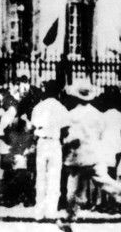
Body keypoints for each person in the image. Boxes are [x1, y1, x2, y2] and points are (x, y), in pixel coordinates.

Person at [61, 80, 121, 229]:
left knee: (74, 188)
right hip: (94, 155)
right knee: (102, 180)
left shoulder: (72, 115)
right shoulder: (98, 114)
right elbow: (100, 133)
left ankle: (69, 218)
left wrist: (66, 145)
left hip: (78, 157)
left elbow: (72, 138)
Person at [30, 80, 70, 220]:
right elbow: (65, 129)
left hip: (42, 142)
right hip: (54, 143)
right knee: (54, 177)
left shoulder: (38, 107)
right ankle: (50, 211)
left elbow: (33, 126)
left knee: (41, 177)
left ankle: (39, 212)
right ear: (57, 92)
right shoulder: (61, 108)